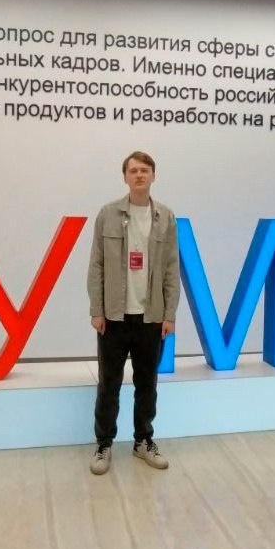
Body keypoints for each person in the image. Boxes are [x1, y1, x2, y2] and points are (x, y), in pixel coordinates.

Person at [87, 150, 180, 474]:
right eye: (133, 170)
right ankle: (104, 444)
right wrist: (97, 310)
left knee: (147, 384)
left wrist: (169, 314)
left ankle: (143, 441)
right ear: (125, 177)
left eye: (145, 170)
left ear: (153, 175)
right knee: (109, 384)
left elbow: (171, 269)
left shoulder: (165, 217)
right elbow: (96, 264)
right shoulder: (108, 214)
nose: (139, 175)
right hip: (113, 317)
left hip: (151, 317)